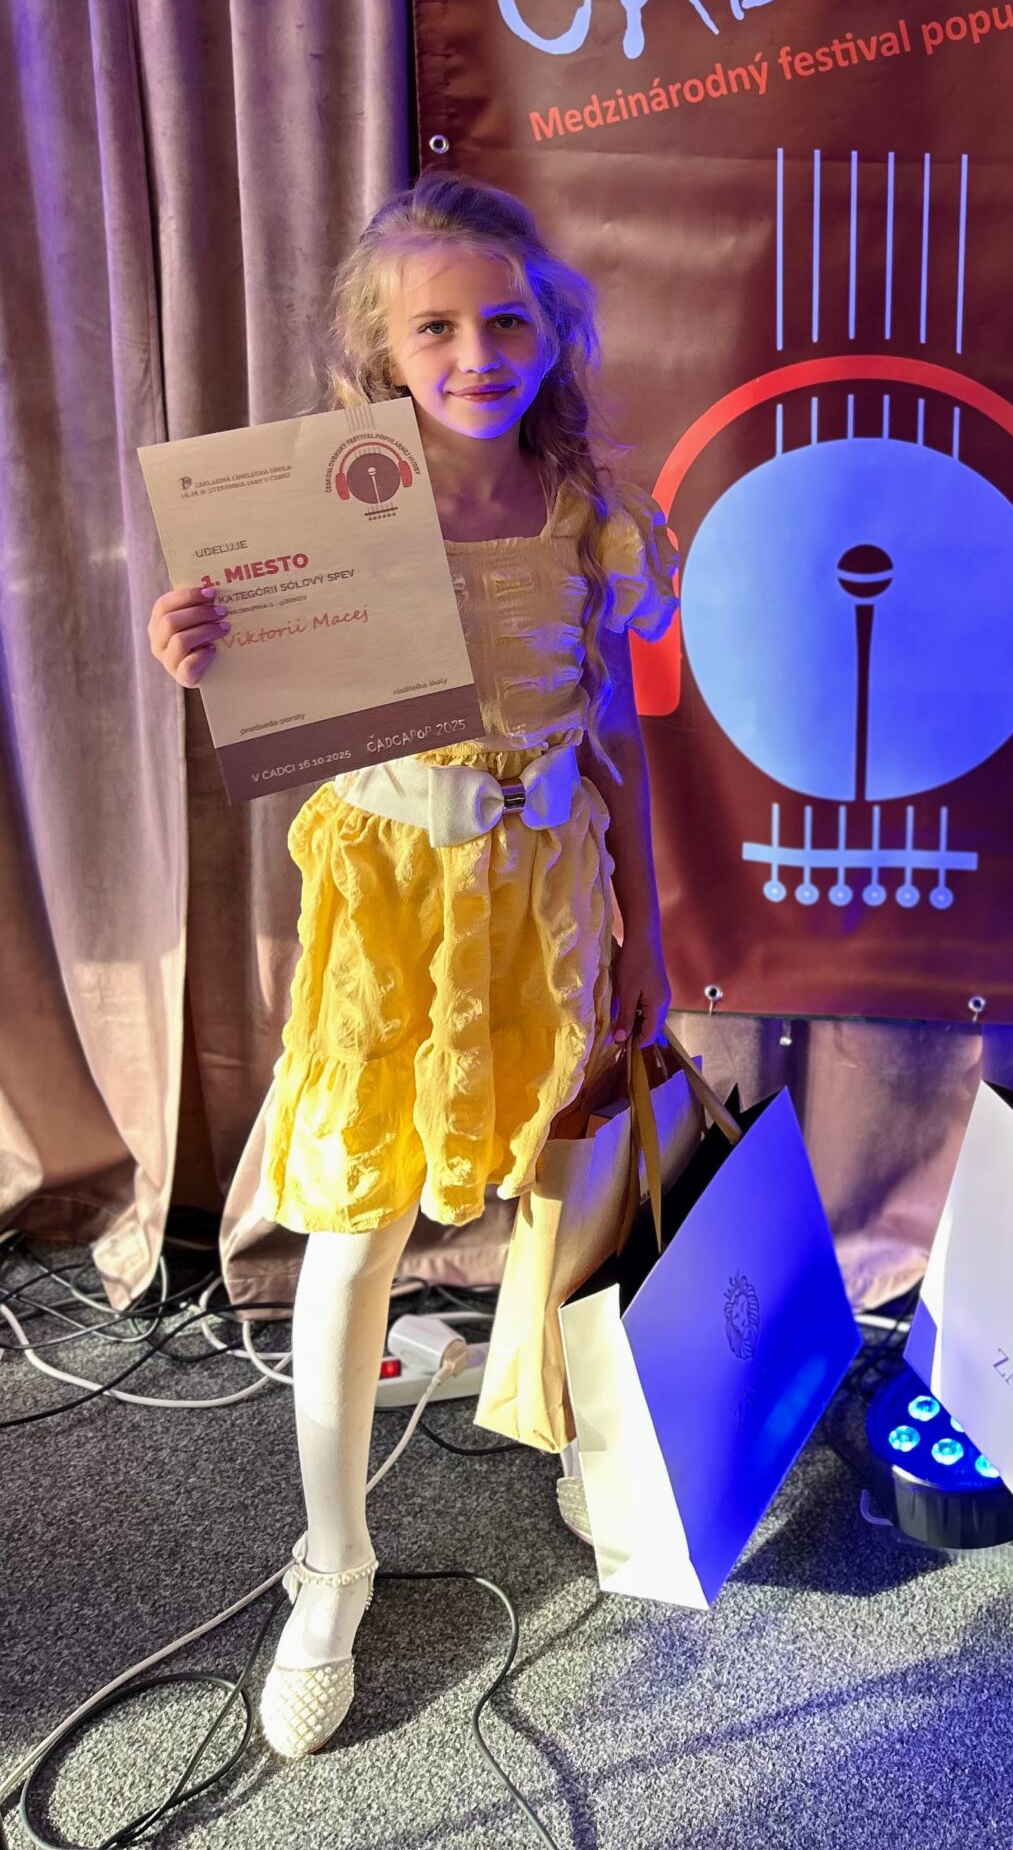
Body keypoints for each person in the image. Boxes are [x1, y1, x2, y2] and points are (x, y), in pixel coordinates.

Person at [146, 174, 677, 1759]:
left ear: (553, 331)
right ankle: (333, 1560)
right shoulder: (321, 517)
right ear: (379, 348)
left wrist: (650, 928)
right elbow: (264, 683)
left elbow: (620, 733)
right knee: (356, 1217)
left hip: (548, 899)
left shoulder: (588, 509)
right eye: (433, 327)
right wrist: (200, 648)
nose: (473, 354)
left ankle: (564, 1423)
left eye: (506, 320)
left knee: (561, 1191)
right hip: (391, 912)